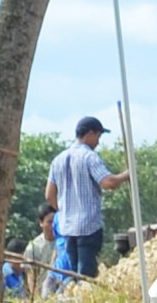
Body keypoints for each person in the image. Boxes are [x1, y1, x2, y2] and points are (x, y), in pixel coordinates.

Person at [47, 116, 114, 283]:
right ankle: (83, 299)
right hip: (88, 226)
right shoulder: (89, 157)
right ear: (90, 134)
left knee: (73, 271)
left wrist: (63, 210)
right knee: (86, 272)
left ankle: (74, 299)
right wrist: (126, 176)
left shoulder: (58, 160)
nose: (98, 142)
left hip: (67, 227)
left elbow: (49, 195)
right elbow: (107, 182)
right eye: (98, 136)